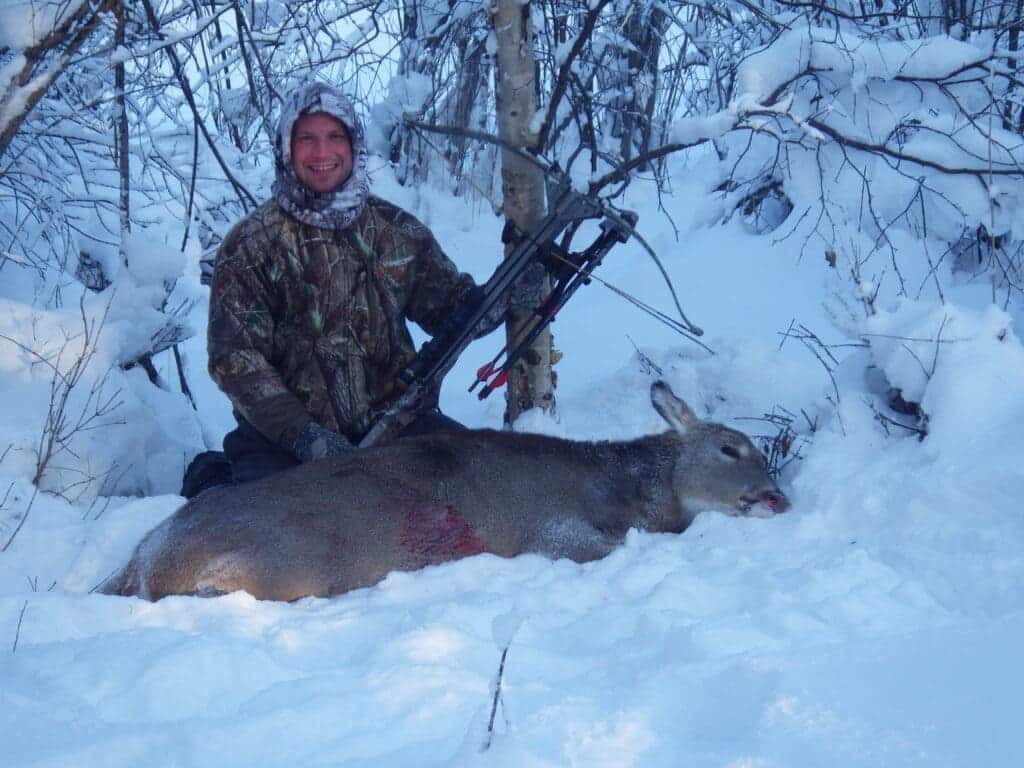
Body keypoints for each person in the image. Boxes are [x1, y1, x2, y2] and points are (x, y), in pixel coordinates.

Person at [202, 82, 498, 488]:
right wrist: (303, 435)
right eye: (307, 138)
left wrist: (508, 296)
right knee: (279, 537)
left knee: (480, 485)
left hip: (398, 429)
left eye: (334, 137)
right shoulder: (250, 244)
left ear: (353, 144)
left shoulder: (396, 230)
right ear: (286, 147)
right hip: (284, 444)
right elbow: (236, 361)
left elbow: (453, 309)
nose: (322, 153)